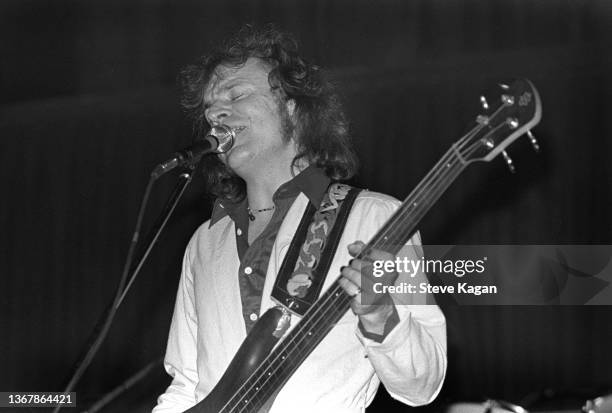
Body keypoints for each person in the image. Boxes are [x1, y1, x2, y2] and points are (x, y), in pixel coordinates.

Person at [153, 25, 446, 413]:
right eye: (209, 108)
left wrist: (380, 315)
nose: (216, 114)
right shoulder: (205, 242)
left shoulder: (374, 218)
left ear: (294, 108)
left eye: (236, 95)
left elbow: (422, 384)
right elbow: (187, 384)